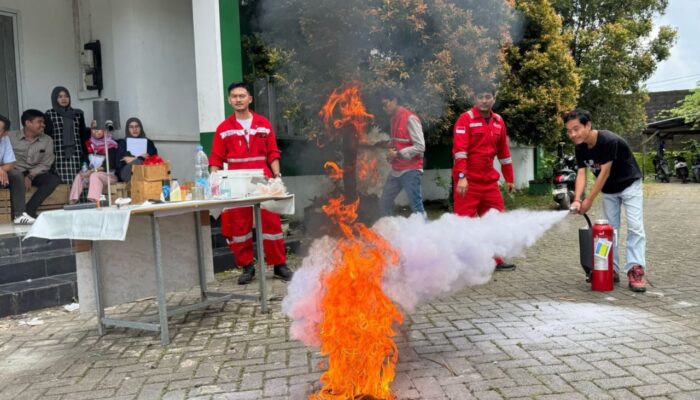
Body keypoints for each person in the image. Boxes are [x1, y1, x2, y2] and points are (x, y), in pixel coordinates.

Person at [209, 82, 293, 285]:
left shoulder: (263, 123)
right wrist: (214, 181)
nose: (238, 99)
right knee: (239, 225)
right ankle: (247, 267)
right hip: (237, 181)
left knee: (271, 222)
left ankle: (279, 265)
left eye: (242, 95)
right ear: (229, 100)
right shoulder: (223, 128)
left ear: (249, 99)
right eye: (234, 96)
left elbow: (273, 152)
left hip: (262, 179)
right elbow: (215, 159)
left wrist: (277, 176)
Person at [565, 108, 647, 292]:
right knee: (608, 230)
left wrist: (588, 201)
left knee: (635, 227)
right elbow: (581, 174)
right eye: (569, 131)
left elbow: (604, 173)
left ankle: (635, 269)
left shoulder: (608, 141)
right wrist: (577, 199)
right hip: (609, 190)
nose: (572, 134)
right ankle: (611, 269)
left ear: (588, 125)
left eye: (576, 129)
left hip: (629, 185)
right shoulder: (580, 147)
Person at [452, 84, 516, 271]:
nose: (484, 100)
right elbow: (459, 152)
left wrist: (509, 178)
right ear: (474, 98)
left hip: (489, 182)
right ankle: (464, 261)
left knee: (496, 221)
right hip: (468, 183)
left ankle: (496, 259)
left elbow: (504, 153)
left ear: (494, 99)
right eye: (480, 96)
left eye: (488, 96)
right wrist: (462, 177)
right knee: (465, 223)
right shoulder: (466, 119)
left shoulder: (498, 121)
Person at [379, 89, 426, 217]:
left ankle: (426, 235)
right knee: (384, 204)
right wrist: (387, 147)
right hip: (396, 170)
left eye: (386, 104)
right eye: (382, 105)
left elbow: (420, 146)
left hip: (411, 170)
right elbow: (398, 142)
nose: (384, 108)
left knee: (416, 207)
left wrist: (397, 154)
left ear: (394, 100)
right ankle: (390, 231)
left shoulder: (410, 118)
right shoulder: (393, 119)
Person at [8, 109, 61, 224]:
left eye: (43, 122)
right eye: (39, 122)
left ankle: (29, 209)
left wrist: (30, 176)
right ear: (28, 123)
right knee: (16, 175)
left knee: (53, 179)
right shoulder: (10, 137)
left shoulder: (47, 140)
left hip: (34, 172)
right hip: (14, 171)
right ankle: (17, 213)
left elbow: (46, 163)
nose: (43, 125)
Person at [44, 86, 89, 184]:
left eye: (66, 96)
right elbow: (47, 135)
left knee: (79, 180)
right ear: (55, 99)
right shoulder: (50, 114)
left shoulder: (78, 114)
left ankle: (78, 199)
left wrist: (85, 153)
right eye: (60, 96)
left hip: (76, 151)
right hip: (58, 152)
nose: (64, 99)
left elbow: (82, 134)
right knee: (61, 181)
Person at [69, 120, 118, 203]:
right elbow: (85, 161)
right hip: (92, 174)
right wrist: (84, 171)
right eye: (93, 128)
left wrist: (91, 171)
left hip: (108, 176)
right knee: (79, 176)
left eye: (99, 128)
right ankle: (72, 201)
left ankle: (94, 202)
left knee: (94, 176)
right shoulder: (89, 144)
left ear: (105, 130)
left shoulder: (110, 145)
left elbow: (108, 165)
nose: (96, 131)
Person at [115, 117, 159, 182]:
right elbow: (118, 163)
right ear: (127, 129)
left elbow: (154, 159)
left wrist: (134, 159)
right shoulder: (123, 143)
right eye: (131, 127)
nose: (134, 129)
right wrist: (140, 158)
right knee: (137, 162)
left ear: (141, 128)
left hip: (145, 171)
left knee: (139, 162)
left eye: (137, 126)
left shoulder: (148, 143)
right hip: (127, 173)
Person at [0, 114, 17, 191]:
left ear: (4, 133)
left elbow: (10, 164)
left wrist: (1, 169)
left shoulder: (5, 139)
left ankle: (19, 204)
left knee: (16, 175)